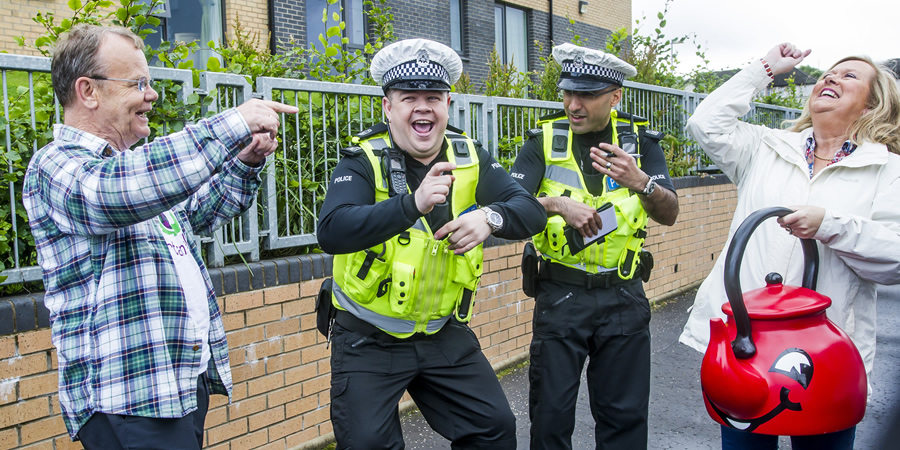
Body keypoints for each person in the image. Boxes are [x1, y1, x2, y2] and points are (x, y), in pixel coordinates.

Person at [22, 24, 297, 448]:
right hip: (129, 396)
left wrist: (244, 161)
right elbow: (110, 196)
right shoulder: (56, 165)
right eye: (138, 83)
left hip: (175, 383)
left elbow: (200, 214)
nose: (151, 95)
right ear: (88, 91)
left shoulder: (135, 172)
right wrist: (233, 122)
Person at [316, 38, 547, 449]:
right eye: (409, 98)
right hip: (368, 337)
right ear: (388, 107)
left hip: (441, 333)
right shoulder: (362, 159)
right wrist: (411, 204)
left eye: (433, 97)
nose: (422, 107)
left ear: (447, 104)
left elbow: (529, 211)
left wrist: (490, 217)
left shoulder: (470, 154)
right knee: (369, 444)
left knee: (493, 428)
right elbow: (332, 230)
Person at [678, 43, 900, 449]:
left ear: (872, 106)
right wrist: (764, 68)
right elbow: (705, 123)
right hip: (748, 342)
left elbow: (894, 259)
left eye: (849, 76)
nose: (831, 77)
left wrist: (828, 225)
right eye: (828, 73)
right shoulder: (766, 147)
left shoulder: (887, 169)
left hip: (827, 352)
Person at [509, 42, 680, 449]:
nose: (573, 104)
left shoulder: (641, 142)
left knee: (624, 418)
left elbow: (670, 213)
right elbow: (507, 215)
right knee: (550, 417)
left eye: (586, 95)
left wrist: (641, 181)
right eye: (568, 92)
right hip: (560, 296)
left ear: (615, 97)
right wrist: (555, 204)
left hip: (624, 296)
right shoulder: (542, 141)